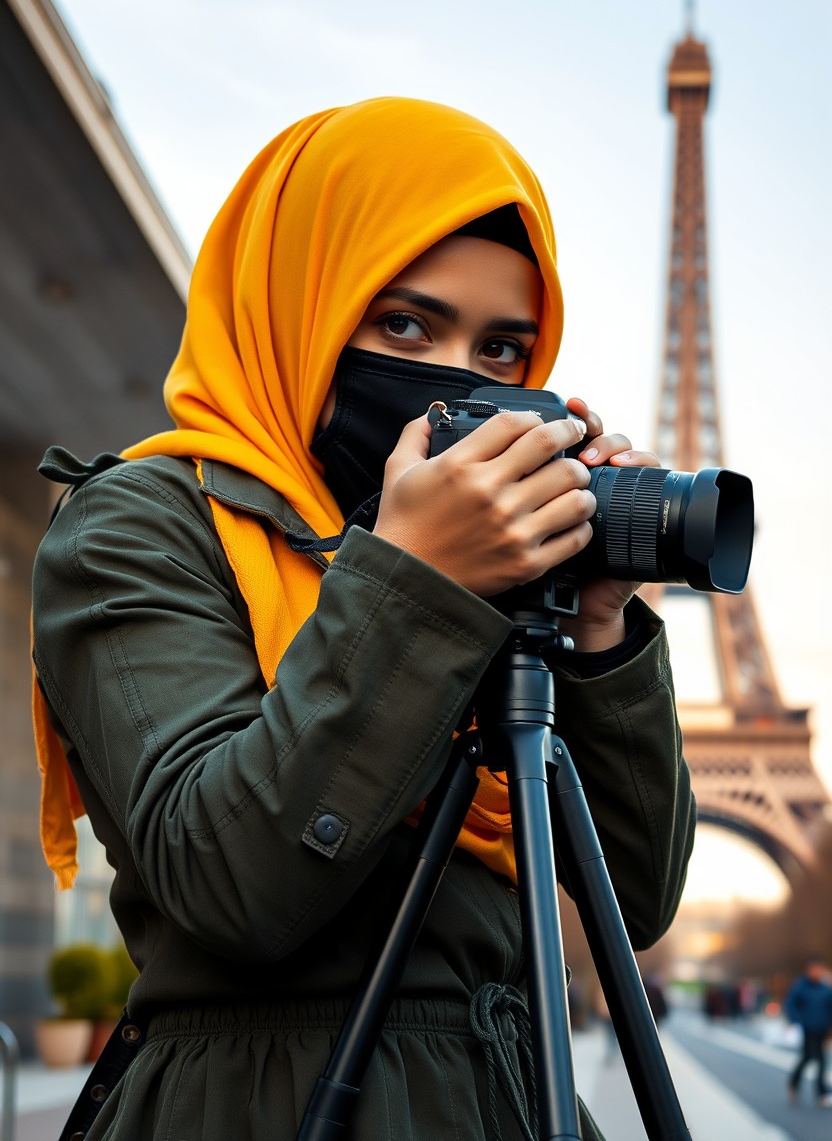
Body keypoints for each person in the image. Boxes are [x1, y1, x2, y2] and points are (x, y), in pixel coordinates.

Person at [32, 97, 696, 1140]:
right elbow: (228, 883)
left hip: (502, 1100)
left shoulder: (492, 564)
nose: (452, 380)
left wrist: (598, 625)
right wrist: (418, 579)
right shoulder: (140, 522)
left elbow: (638, 899)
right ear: (300, 304)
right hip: (264, 1106)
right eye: (402, 323)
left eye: (500, 352)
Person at [785, 957, 832, 1107]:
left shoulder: (825, 988)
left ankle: (819, 1093)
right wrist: (795, 1021)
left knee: (814, 1059)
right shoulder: (800, 987)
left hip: (822, 1029)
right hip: (807, 1029)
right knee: (813, 1058)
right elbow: (791, 1004)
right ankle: (818, 1092)